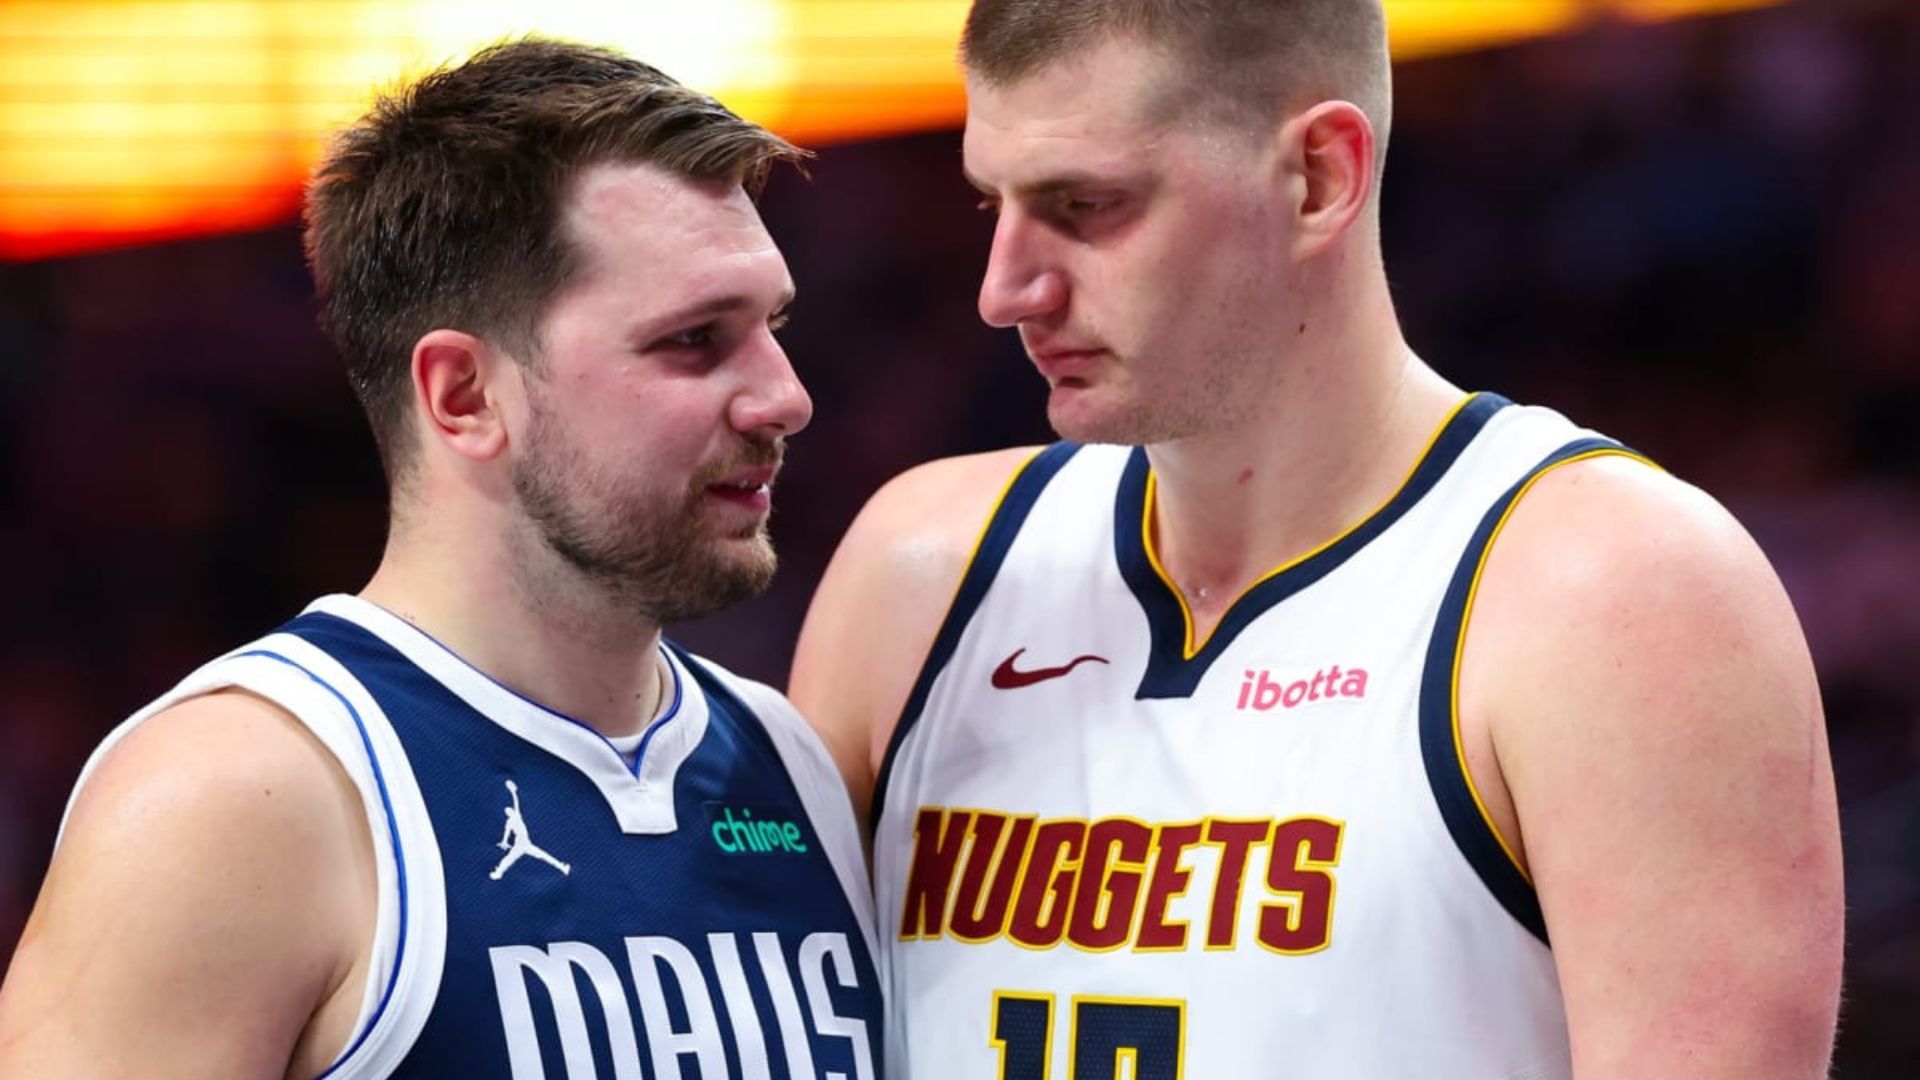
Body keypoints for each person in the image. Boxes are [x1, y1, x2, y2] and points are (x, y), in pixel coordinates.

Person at [790, 1, 1844, 1077]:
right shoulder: (916, 573)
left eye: (1087, 205)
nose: (1005, 290)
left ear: (1319, 178)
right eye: (993, 205)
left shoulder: (1618, 596)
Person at [0, 39, 879, 1079]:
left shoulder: (790, 764)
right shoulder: (236, 799)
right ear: (464, 396)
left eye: (773, 325)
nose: (785, 398)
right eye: (695, 340)